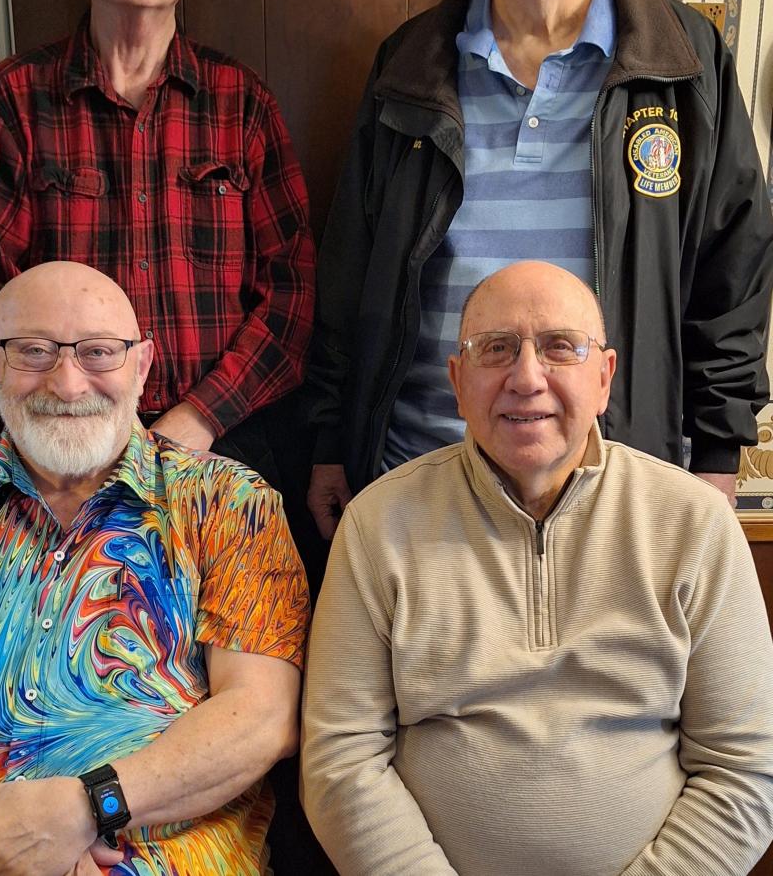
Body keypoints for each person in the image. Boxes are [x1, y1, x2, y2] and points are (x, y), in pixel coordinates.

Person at [306, 0, 773, 537]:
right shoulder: (409, 65)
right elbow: (349, 277)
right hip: (419, 495)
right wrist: (327, 440)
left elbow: (734, 280)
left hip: (616, 504)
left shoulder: (687, 67)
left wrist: (717, 461)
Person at [0, 261, 309, 876]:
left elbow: (263, 716)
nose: (69, 383)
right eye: (34, 352)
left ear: (142, 366)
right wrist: (0, 841)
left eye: (99, 353)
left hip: (151, 853)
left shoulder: (231, 504)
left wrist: (85, 807)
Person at [301, 260, 773, 875]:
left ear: (604, 377)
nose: (527, 378)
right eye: (495, 349)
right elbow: (341, 761)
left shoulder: (694, 523)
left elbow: (746, 768)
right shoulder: (376, 525)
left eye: (559, 348)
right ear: (457, 379)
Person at [0, 0, 315, 479]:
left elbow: (291, 300)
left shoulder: (243, 105)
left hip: (224, 450)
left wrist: (196, 421)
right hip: (61, 456)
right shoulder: (10, 103)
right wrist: (81, 426)